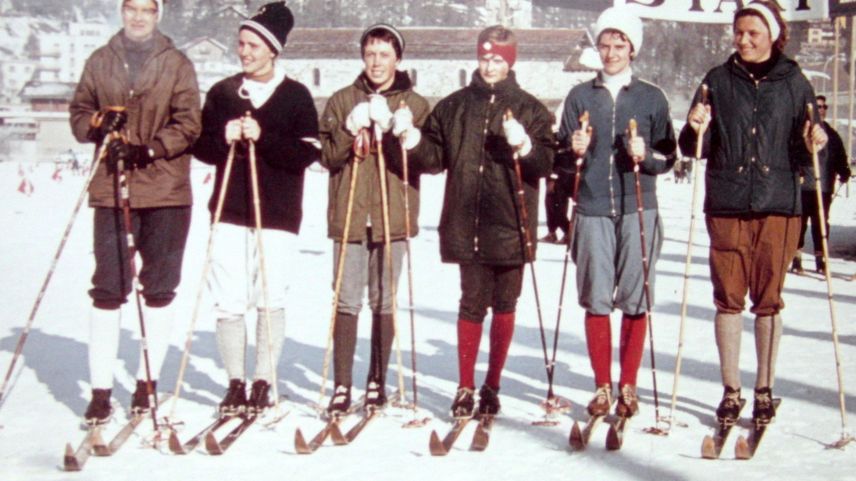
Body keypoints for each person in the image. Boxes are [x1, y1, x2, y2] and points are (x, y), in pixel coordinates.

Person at [679, 0, 827, 427]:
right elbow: (693, 147)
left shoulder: (795, 82)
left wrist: (815, 141)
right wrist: (695, 124)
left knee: (768, 301)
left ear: (773, 35)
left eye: (752, 33)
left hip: (778, 204)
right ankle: (731, 390)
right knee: (728, 298)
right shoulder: (716, 81)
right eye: (738, 33)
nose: (742, 40)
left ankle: (764, 389)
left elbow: (803, 151)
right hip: (726, 202)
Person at [405, 25, 554, 417]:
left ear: (510, 63)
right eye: (485, 58)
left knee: (506, 304)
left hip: (511, 223)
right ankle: (465, 386)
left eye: (498, 60)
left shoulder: (530, 109)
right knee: (472, 304)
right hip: (467, 223)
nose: (490, 66)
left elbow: (545, 164)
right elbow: (434, 158)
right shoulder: (454, 106)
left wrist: (524, 145)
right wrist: (411, 140)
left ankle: (493, 385)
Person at [69, 0, 201, 424]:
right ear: (122, 11)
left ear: (157, 13)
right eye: (131, 8)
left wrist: (149, 148)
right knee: (109, 287)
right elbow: (78, 112)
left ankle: (147, 384)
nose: (138, 17)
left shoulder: (176, 63)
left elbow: (189, 123)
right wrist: (96, 124)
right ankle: (101, 390)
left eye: (146, 8)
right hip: (112, 189)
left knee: (159, 289)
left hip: (164, 189)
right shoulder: (101, 60)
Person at [193, 2, 319, 415]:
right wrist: (223, 135)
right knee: (228, 299)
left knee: (269, 295)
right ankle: (235, 382)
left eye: (252, 45)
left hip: (278, 215)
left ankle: (264, 378)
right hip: (229, 210)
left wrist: (262, 136)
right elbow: (202, 148)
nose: (244, 52)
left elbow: (304, 155)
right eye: (241, 43)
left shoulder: (296, 96)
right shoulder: (224, 93)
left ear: (272, 49)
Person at [559, 7, 676, 420]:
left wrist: (648, 156)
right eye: (605, 44)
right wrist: (574, 148)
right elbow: (560, 157)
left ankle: (628, 383)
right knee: (595, 297)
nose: (610, 52)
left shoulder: (651, 97)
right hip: (591, 207)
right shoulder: (580, 96)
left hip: (637, 207)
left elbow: (669, 155)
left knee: (634, 296)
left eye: (619, 44)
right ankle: (602, 385)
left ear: (633, 48)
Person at [319, 24, 429, 415]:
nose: (377, 62)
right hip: (349, 214)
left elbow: (428, 160)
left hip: (391, 215)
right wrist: (350, 130)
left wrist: (403, 131)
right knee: (346, 300)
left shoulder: (415, 103)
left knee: (384, 299)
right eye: (370, 54)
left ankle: (377, 381)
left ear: (398, 58)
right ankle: (342, 385)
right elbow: (327, 157)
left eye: (384, 54)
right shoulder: (340, 99)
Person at [792, 95, 851, 274]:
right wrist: (797, 171)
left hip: (823, 188)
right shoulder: (801, 132)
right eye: (818, 106)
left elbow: (839, 156)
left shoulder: (831, 135)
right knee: (800, 224)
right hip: (803, 187)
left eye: (824, 107)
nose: (822, 110)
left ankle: (821, 259)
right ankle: (797, 259)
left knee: (821, 224)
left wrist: (844, 171)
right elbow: (792, 155)